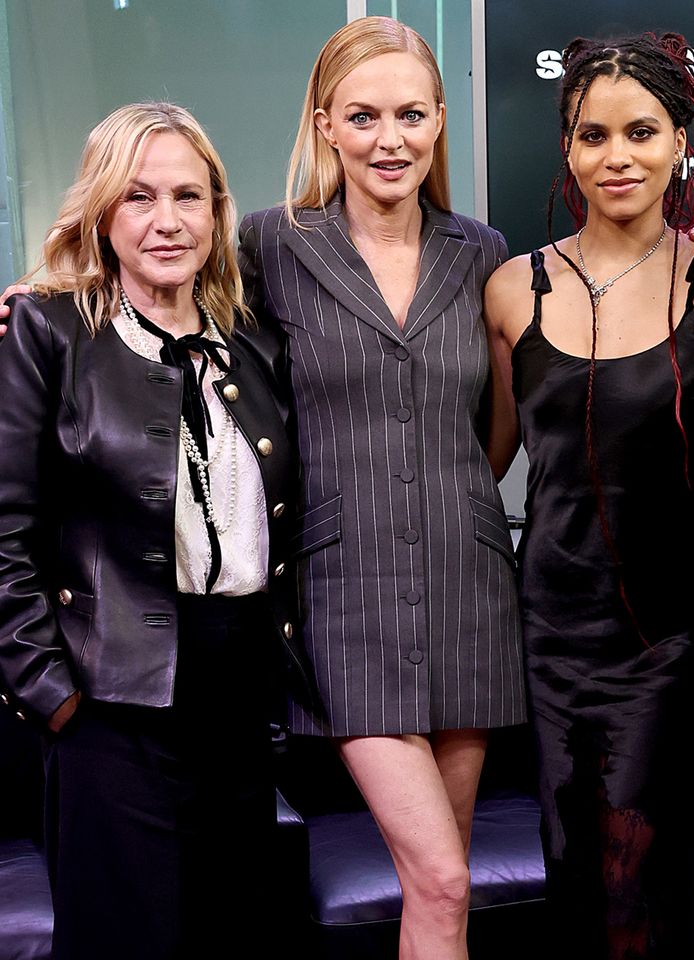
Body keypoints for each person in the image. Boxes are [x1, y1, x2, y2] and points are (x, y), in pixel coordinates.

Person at [238, 17, 524, 959]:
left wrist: (445, 502)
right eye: (362, 116)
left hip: (468, 588)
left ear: (441, 120)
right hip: (342, 597)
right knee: (444, 878)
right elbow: (154, 300)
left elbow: (499, 426)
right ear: (324, 124)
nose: (388, 139)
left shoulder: (483, 251)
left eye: (410, 114)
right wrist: (35, 302)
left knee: (436, 887)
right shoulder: (269, 245)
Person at [0, 102, 300, 959]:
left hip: (238, 702)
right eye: (138, 197)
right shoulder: (48, 332)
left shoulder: (252, 342)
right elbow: (3, 533)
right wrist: (52, 697)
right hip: (108, 707)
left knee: (231, 936)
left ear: (216, 212)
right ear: (102, 213)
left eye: (187, 196)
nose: (167, 221)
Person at [484, 33, 694, 958]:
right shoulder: (516, 286)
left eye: (641, 132)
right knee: (575, 880)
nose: (617, 157)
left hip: (673, 640)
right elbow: (483, 461)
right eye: (593, 135)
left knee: (647, 885)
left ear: (681, 140)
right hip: (550, 635)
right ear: (567, 148)